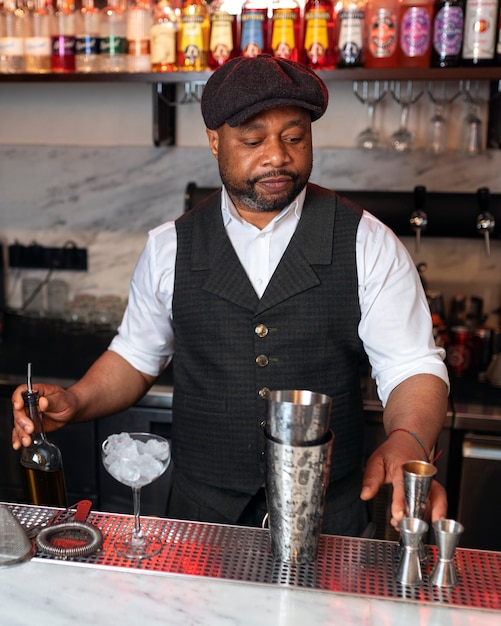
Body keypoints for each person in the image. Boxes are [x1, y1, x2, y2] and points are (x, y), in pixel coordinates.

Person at [11, 54, 449, 537]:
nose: (277, 155)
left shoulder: (367, 241)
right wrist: (76, 399)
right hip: (201, 516)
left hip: (328, 518)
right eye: (253, 139)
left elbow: (411, 365)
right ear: (215, 141)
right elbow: (136, 355)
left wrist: (409, 437)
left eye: (294, 136)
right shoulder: (169, 245)